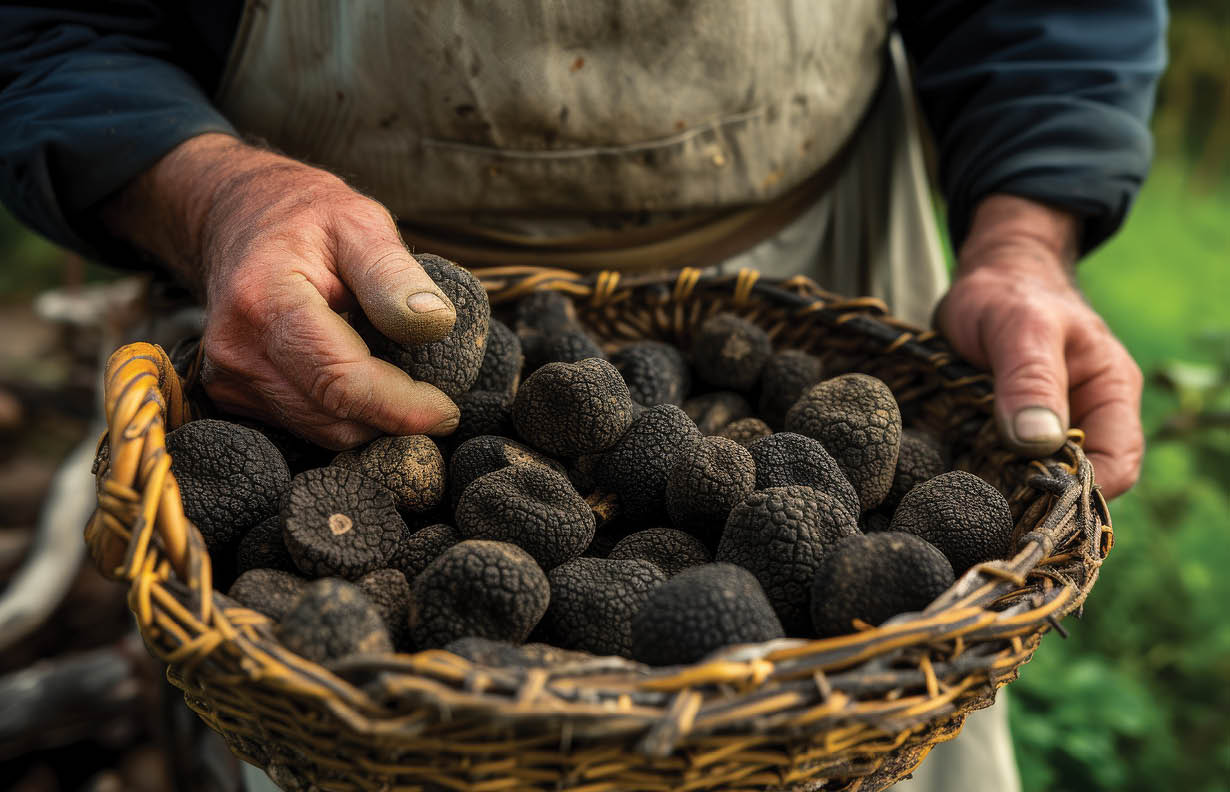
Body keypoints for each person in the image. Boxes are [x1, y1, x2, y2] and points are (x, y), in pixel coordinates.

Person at [0, 3, 1164, 790]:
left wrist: (1023, 238)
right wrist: (216, 199)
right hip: (320, 307)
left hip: (810, 257)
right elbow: (50, 28)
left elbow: (1056, 14)